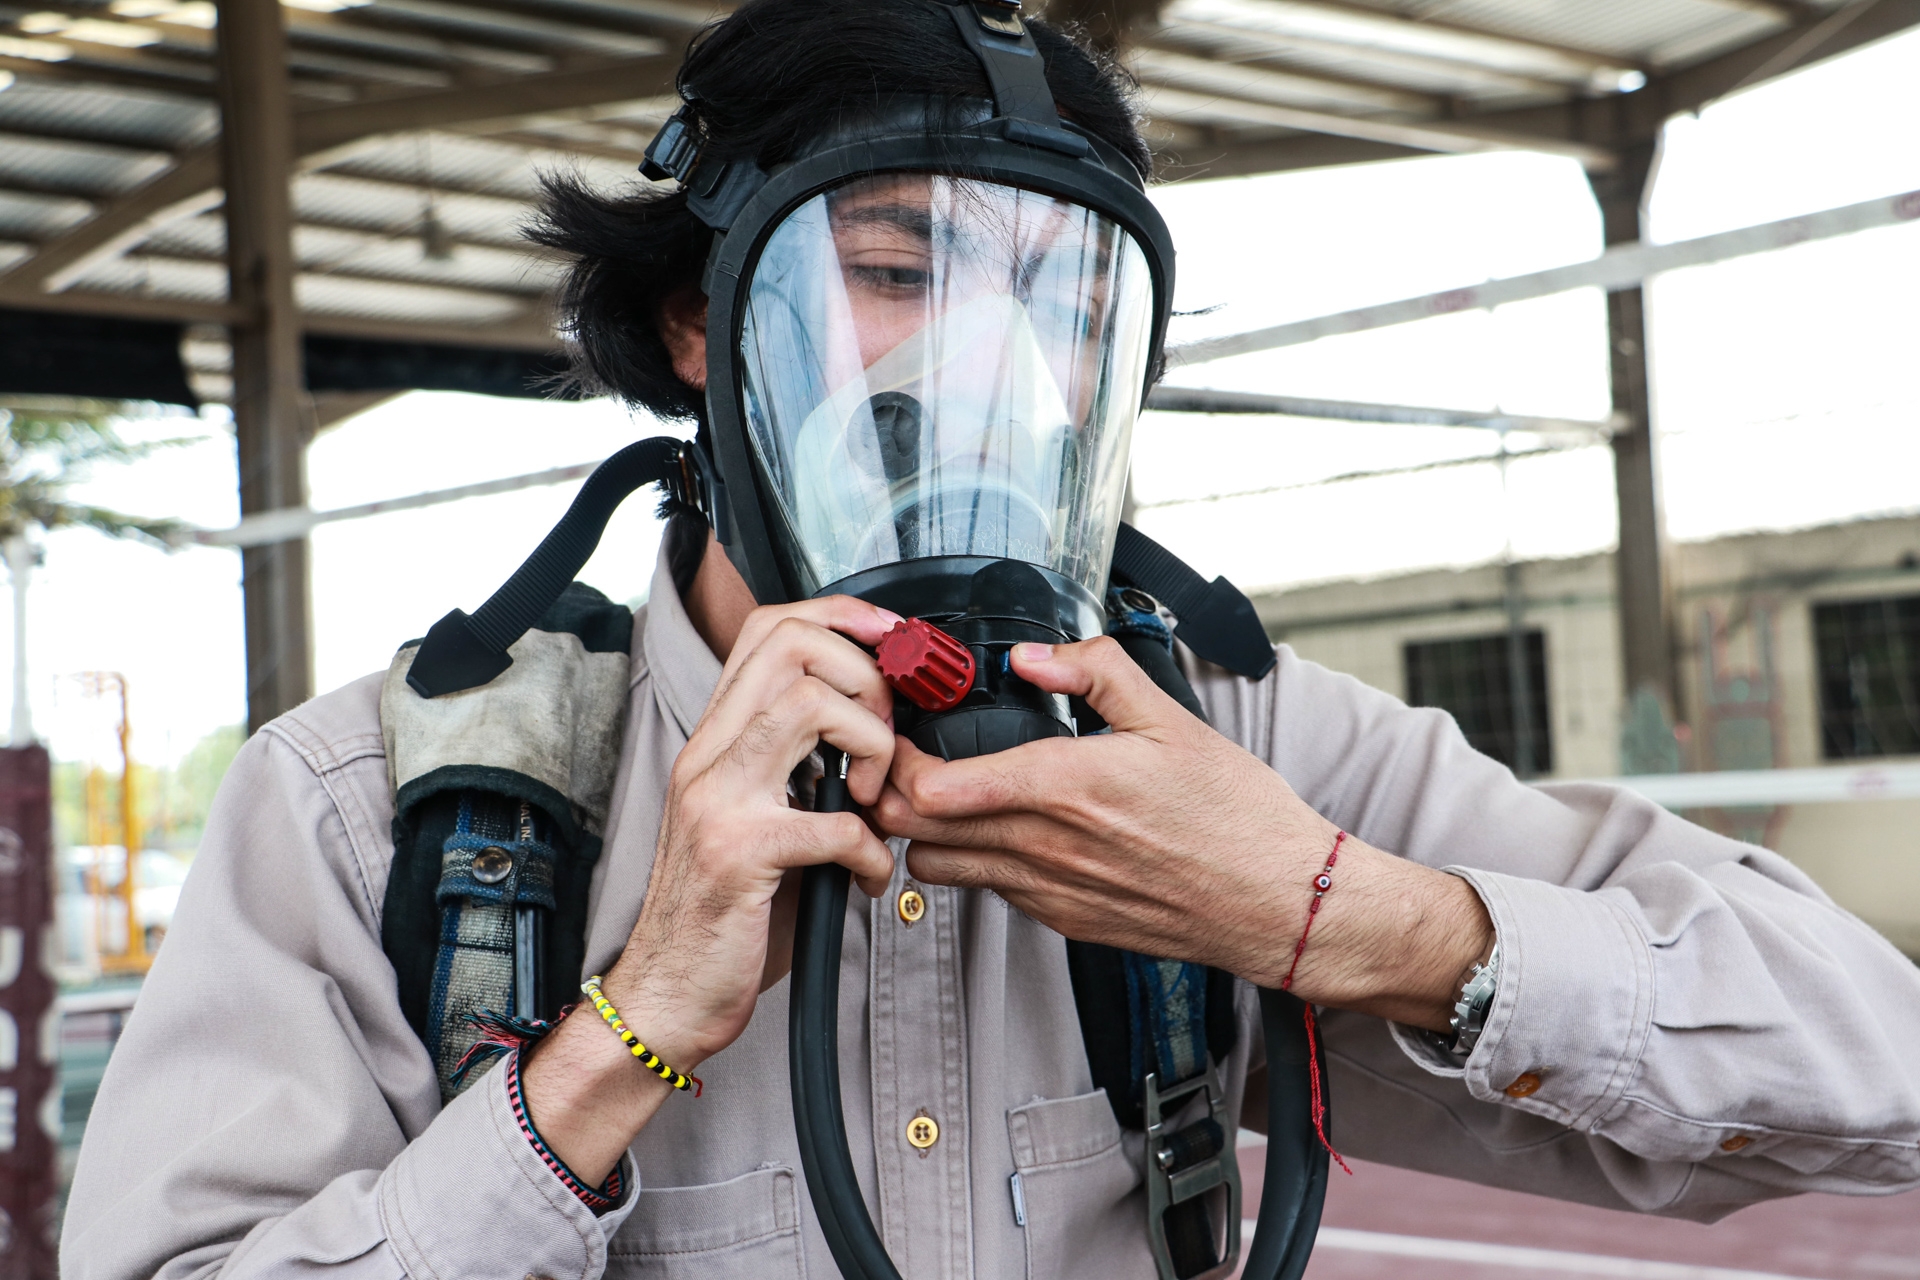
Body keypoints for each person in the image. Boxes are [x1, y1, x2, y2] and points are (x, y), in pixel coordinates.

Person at [64, 2, 1920, 1278]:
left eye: (1057, 301)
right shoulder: (385, 809)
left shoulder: (1234, 743)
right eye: (894, 272)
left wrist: (1342, 916)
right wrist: (625, 1036)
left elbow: (1878, 1077)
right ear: (701, 329)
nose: (990, 367)